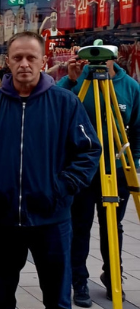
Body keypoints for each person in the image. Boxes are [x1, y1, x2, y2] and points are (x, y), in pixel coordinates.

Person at [0, 31, 101, 309]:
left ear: (44, 61)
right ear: (8, 61)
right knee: (0, 297)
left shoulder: (65, 103)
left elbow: (89, 150)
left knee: (57, 298)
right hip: (3, 221)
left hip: (52, 220)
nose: (24, 64)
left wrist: (62, 186)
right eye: (17, 58)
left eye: (31, 57)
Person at [59, 47, 140, 306]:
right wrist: (70, 79)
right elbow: (56, 104)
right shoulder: (78, 81)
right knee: (79, 227)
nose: (97, 63)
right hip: (82, 171)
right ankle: (79, 281)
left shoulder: (130, 87)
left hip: (116, 169)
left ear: (114, 58)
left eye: (103, 57)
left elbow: (137, 128)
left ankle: (113, 275)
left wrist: (134, 162)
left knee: (113, 226)